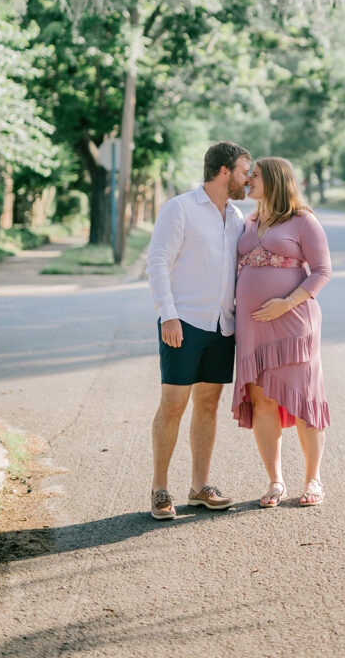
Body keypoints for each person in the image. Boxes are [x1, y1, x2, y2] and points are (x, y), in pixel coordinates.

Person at [147, 140, 251, 520]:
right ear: (224, 172)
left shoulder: (238, 217)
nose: (247, 178)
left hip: (223, 326)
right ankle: (160, 488)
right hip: (184, 323)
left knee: (208, 405)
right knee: (173, 405)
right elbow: (158, 261)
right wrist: (167, 314)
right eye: (244, 171)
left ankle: (199, 486)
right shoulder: (180, 209)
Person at [232, 157, 331, 507]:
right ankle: (275, 481)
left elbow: (322, 272)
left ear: (274, 180)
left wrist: (285, 303)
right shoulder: (248, 222)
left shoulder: (303, 220)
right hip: (253, 329)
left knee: (304, 399)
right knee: (262, 400)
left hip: (293, 323)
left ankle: (313, 480)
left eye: (254, 176)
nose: (248, 182)